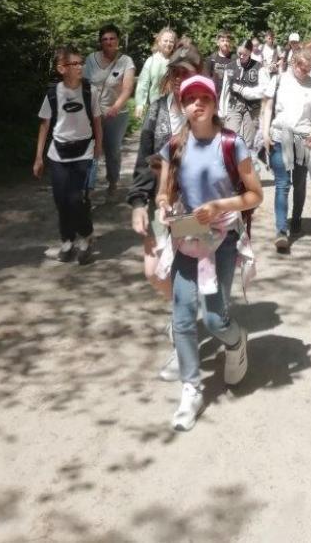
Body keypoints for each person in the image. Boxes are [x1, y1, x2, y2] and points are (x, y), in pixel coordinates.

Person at [155, 74, 263, 432]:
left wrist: (219, 205)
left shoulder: (232, 144)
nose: (196, 104)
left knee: (214, 318)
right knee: (183, 316)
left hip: (223, 238)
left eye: (204, 98)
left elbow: (254, 195)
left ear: (215, 104)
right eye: (190, 99)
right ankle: (191, 388)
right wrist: (162, 207)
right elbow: (165, 191)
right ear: (182, 106)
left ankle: (236, 340)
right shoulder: (175, 145)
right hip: (187, 235)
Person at [128, 47, 202, 380]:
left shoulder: (205, 112)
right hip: (160, 204)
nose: (179, 79)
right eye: (175, 73)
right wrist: (138, 202)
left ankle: (182, 341)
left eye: (187, 73)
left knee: (184, 278)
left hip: (194, 208)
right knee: (154, 272)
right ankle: (183, 313)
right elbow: (145, 157)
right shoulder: (157, 112)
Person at [34, 45, 103, 266]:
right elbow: (44, 125)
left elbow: (97, 122)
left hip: (83, 151)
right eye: (75, 64)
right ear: (61, 68)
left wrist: (98, 148)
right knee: (61, 200)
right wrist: (38, 157)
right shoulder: (53, 94)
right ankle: (67, 240)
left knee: (76, 199)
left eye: (81, 62)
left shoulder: (89, 91)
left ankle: (86, 237)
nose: (80, 67)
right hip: (58, 153)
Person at [263, 48, 311, 253]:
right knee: (282, 183)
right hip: (280, 136)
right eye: (301, 67)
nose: (303, 72)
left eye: (308, 69)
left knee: (299, 182)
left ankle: (296, 217)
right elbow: (268, 108)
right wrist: (265, 134)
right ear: (293, 63)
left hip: (303, 139)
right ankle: (281, 231)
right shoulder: (279, 80)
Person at [83, 23, 135, 200]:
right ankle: (88, 188)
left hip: (116, 115)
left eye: (112, 38)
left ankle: (112, 182)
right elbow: (83, 84)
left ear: (118, 40)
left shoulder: (126, 61)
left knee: (112, 150)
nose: (109, 42)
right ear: (100, 42)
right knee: (92, 150)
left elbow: (127, 89)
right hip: (93, 113)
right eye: (105, 39)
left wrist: (115, 107)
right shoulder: (91, 59)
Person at [225, 39, 263, 152]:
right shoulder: (230, 66)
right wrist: (222, 109)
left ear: (251, 52)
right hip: (234, 104)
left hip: (252, 108)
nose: (241, 56)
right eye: (239, 54)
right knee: (230, 138)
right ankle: (231, 163)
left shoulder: (258, 67)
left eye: (244, 54)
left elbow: (262, 90)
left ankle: (245, 164)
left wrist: (244, 90)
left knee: (248, 143)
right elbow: (225, 88)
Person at [135, 28, 177, 119]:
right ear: (159, 41)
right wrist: (140, 104)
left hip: (174, 109)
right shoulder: (151, 61)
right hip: (155, 107)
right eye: (165, 40)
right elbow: (143, 83)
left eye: (171, 41)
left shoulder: (177, 62)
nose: (168, 44)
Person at [204, 30, 236, 114]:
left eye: (227, 41)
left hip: (230, 97)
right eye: (223, 40)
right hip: (215, 97)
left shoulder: (235, 59)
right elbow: (206, 80)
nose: (225, 43)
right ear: (218, 43)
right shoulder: (211, 59)